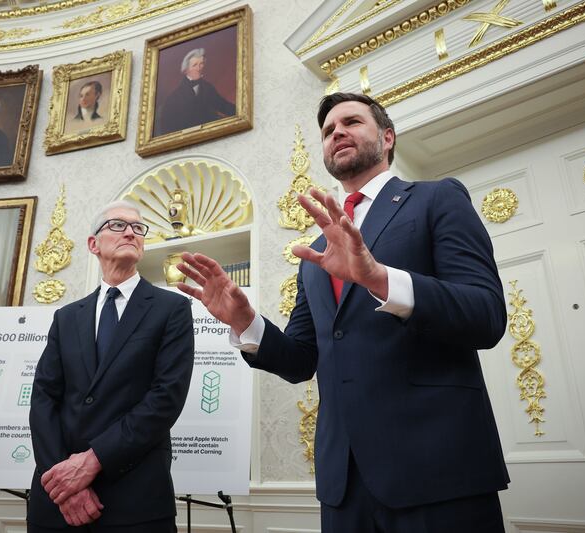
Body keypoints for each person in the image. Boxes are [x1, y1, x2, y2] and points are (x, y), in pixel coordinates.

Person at [176, 93, 510, 532]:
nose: (337, 133)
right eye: (328, 131)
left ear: (387, 138)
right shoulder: (316, 252)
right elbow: (301, 360)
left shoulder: (436, 199)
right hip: (344, 484)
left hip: (438, 471)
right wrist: (246, 323)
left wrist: (378, 278)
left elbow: (486, 316)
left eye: (351, 122)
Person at [28, 201, 194, 532]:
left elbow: (166, 398)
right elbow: (44, 398)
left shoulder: (171, 308)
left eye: (138, 228)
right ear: (94, 244)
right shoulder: (66, 317)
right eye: (118, 225)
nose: (131, 232)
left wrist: (93, 461)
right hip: (59, 501)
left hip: (136, 499)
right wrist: (65, 481)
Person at [155, 48, 236, 136]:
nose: (199, 68)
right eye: (195, 65)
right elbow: (168, 128)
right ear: (186, 69)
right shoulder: (175, 97)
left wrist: (242, 111)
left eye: (201, 64)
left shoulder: (208, 88)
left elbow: (223, 105)